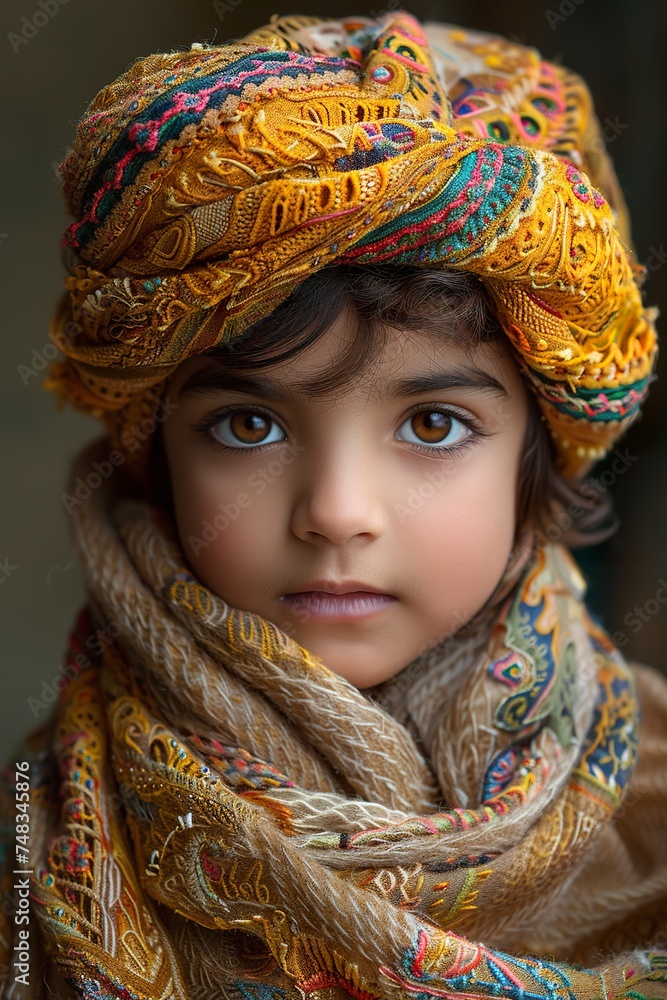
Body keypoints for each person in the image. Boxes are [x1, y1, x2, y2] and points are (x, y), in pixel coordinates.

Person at [1, 11, 666, 1000]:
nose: (337, 512)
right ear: (155, 454)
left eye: (434, 426)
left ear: (539, 450)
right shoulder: (29, 849)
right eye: (248, 428)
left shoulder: (653, 808)